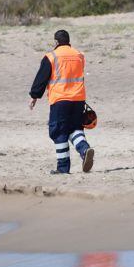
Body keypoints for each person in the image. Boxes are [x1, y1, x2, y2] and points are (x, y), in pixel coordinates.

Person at [29, 29, 95, 174]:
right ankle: (84, 149)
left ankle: (63, 168)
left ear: (56, 42)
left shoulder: (51, 56)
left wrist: (34, 96)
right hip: (78, 99)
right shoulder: (79, 55)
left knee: (58, 132)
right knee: (74, 128)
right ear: (68, 41)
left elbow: (42, 78)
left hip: (60, 99)